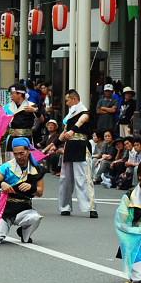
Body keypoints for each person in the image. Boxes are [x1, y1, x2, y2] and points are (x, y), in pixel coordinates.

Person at [0, 137, 45, 244]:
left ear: (28, 151)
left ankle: (24, 233)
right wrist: (1, 183)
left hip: (24, 208)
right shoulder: (7, 167)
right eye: (16, 153)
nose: (19, 156)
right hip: (6, 210)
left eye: (22, 153)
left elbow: (40, 192)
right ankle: (2, 227)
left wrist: (31, 188)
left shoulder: (37, 169)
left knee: (35, 218)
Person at [57, 90, 97, 218]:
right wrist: (54, 144)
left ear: (74, 99)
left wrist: (72, 131)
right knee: (65, 179)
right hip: (69, 146)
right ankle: (65, 206)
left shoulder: (84, 112)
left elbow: (81, 121)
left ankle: (90, 207)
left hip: (81, 145)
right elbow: (64, 133)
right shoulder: (69, 115)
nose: (66, 102)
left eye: (67, 100)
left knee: (84, 178)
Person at [3, 83, 38, 156]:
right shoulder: (7, 107)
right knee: (11, 161)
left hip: (26, 138)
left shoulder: (31, 105)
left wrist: (35, 111)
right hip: (12, 139)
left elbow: (41, 119)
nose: (11, 96)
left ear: (20, 94)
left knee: (27, 160)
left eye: (13, 93)